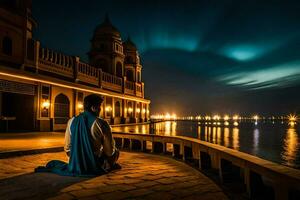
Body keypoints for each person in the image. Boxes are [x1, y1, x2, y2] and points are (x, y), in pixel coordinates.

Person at [35, 94, 120, 176]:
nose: (101, 109)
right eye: (99, 107)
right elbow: (109, 152)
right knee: (115, 151)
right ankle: (106, 166)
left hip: (75, 164)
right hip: (94, 163)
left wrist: (77, 158)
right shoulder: (101, 123)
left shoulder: (71, 121)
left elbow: (67, 148)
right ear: (94, 108)